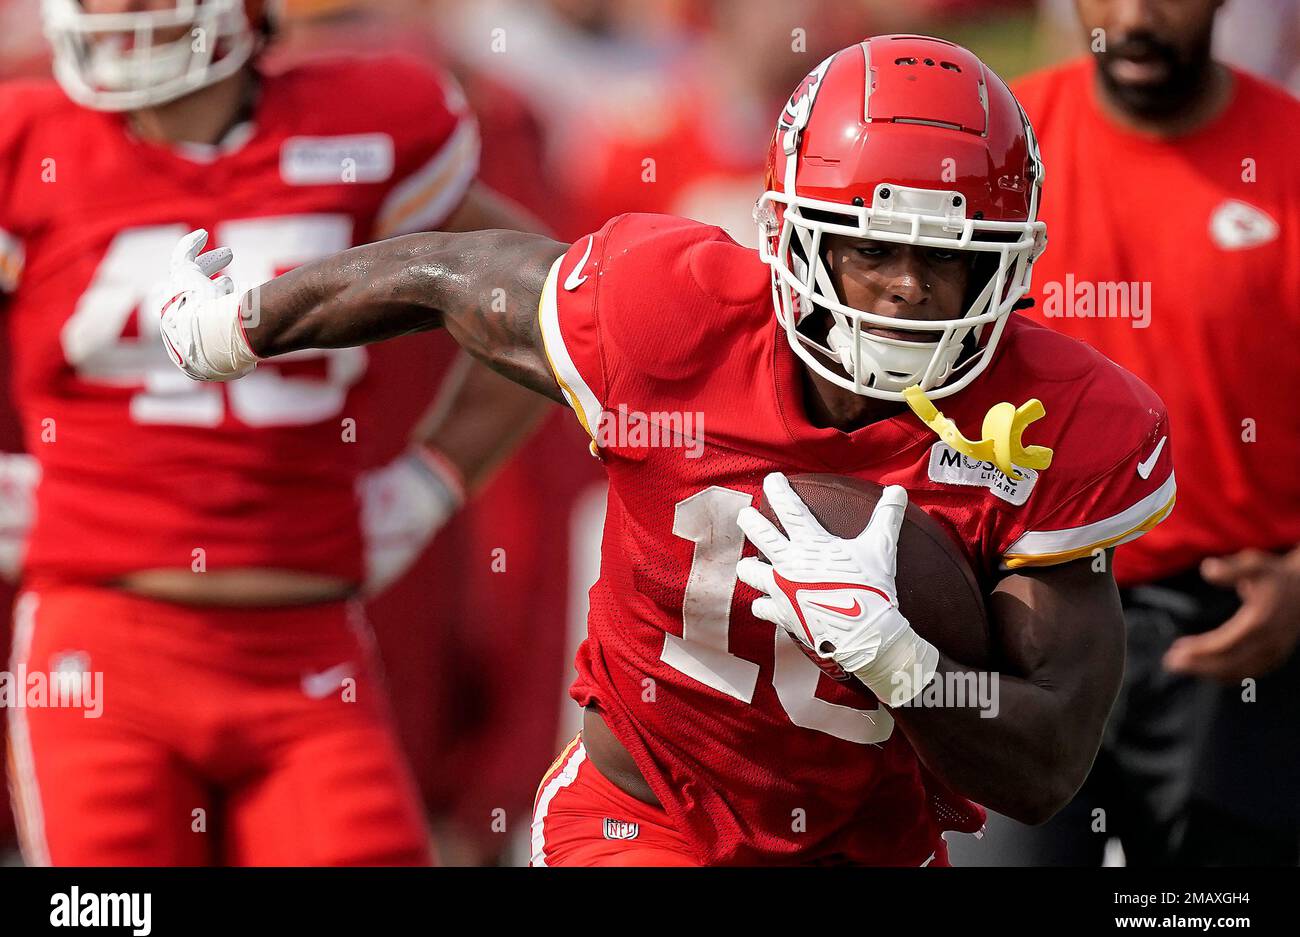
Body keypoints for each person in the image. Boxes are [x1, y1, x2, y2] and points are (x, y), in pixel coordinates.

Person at [157, 34, 1176, 867]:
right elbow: (447, 274)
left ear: (1008, 265)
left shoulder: (1060, 417)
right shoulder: (669, 312)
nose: (905, 287)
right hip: (642, 821)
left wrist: (902, 662)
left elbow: (1045, 764)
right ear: (790, 235)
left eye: (946, 259)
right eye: (868, 246)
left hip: (872, 846)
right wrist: (244, 321)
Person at [0, 0, 548, 865]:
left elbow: (545, 300)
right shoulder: (26, 137)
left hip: (306, 648)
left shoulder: (366, 122)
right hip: (102, 651)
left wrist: (433, 478)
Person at [962, 0, 1300, 866]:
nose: (1136, 18)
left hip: (1234, 639)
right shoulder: (994, 147)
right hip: (1014, 611)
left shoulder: (1289, 156)